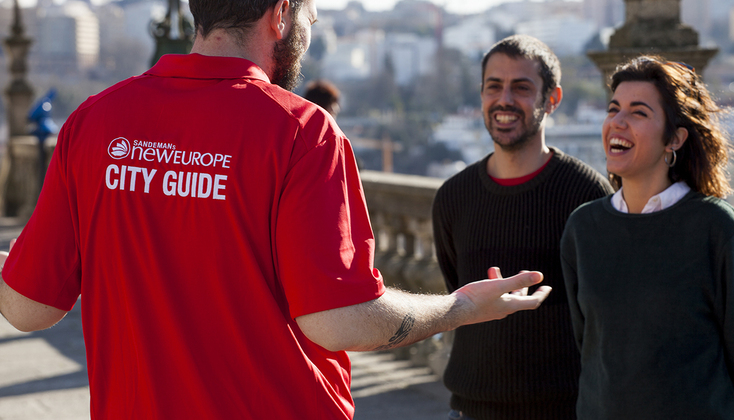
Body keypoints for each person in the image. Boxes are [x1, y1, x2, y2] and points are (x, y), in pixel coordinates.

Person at [0, 1, 554, 419]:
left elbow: (28, 309)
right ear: (281, 14)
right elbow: (339, 319)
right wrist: (458, 307)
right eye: (311, 13)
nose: (311, 27)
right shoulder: (300, 132)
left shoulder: (94, 122)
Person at [560, 55, 734, 419]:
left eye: (638, 112)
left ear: (674, 138)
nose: (617, 122)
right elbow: (588, 351)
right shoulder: (583, 229)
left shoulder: (720, 230)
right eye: (613, 109)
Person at [432, 35, 614, 420]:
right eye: (493, 86)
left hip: (564, 411)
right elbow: (456, 289)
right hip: (469, 410)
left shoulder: (587, 194)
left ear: (552, 99)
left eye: (521, 88)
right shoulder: (452, 197)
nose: (505, 100)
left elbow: (606, 317)